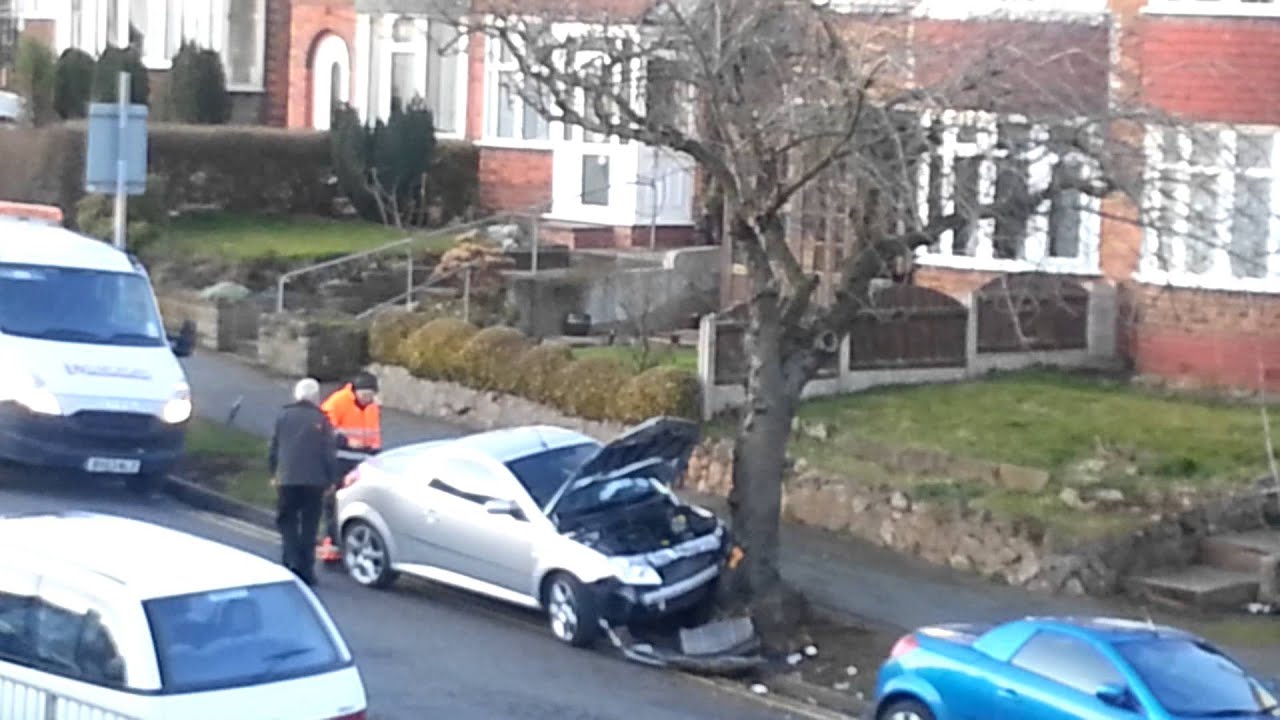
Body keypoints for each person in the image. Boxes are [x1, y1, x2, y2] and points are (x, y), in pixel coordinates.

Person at [269, 378, 339, 586]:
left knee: (287, 520)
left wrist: (274, 472)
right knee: (310, 525)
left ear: (296, 395)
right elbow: (329, 452)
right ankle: (306, 570)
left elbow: (274, 448)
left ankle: (290, 561)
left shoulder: (283, 416)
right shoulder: (322, 419)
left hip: (287, 478)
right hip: (314, 481)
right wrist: (331, 478)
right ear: (316, 398)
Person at [316, 371, 383, 563]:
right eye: (364, 395)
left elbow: (374, 435)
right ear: (354, 391)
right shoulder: (337, 402)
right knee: (333, 503)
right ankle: (331, 546)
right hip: (337, 461)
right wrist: (345, 441)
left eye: (371, 395)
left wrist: (377, 455)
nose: (368, 399)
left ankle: (346, 543)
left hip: (360, 463)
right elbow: (322, 428)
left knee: (355, 505)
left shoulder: (372, 407)